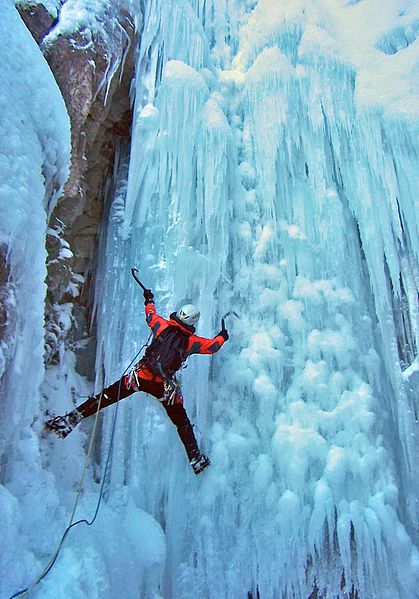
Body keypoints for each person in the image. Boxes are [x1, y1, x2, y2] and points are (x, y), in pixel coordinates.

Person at [45, 288, 229, 474]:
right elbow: (213, 347)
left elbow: (150, 315)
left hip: (140, 377)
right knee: (181, 421)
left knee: (106, 396)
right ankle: (195, 458)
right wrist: (223, 335)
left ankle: (68, 420)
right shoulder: (192, 342)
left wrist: (148, 299)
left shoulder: (162, 326)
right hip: (164, 387)